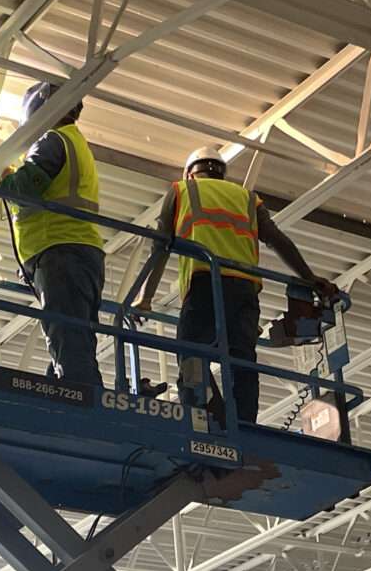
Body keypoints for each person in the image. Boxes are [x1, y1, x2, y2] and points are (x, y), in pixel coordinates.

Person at [136, 146, 337, 424]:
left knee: (192, 356)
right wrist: (309, 276)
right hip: (245, 291)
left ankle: (204, 415)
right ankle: (244, 424)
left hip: (205, 284)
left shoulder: (183, 191)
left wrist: (145, 298)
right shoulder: (247, 199)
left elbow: (160, 247)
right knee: (242, 360)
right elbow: (277, 239)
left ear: (190, 173)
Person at [0, 82, 105, 386]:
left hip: (61, 250)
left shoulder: (52, 140)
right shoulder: (75, 142)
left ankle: (79, 399)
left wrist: (6, 176)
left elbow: (24, 191)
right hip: (78, 252)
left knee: (68, 337)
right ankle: (78, 390)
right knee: (75, 337)